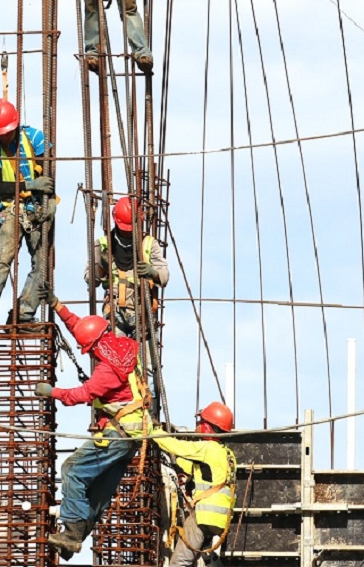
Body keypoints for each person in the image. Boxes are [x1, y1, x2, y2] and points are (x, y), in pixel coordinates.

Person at [37, 302, 147, 560]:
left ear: (95, 345)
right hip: (132, 436)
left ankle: (72, 533)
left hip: (118, 434)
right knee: (98, 493)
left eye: (89, 350)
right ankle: (73, 540)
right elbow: (83, 328)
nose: (90, 354)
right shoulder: (121, 345)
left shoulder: (107, 370)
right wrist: (57, 306)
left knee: (72, 470)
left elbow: (83, 394)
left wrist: (52, 392)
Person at [0, 98, 53, 330]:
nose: (6, 136)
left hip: (35, 209)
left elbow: (48, 173)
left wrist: (48, 196)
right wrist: (30, 185)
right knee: (4, 257)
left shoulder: (35, 137)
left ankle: (24, 314)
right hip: (9, 209)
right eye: (1, 133)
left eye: (8, 131)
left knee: (43, 263)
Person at [155, 403, 238, 567]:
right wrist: (176, 465)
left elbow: (178, 447)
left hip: (204, 516)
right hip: (221, 519)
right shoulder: (227, 454)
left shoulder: (207, 448)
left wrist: (154, 432)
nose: (197, 425)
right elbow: (201, 469)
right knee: (206, 553)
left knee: (179, 562)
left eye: (201, 422)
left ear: (208, 427)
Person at [85, 195, 169, 337]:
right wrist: (101, 268)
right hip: (115, 312)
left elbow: (164, 276)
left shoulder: (149, 243)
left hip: (142, 312)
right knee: (118, 350)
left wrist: (152, 273)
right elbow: (91, 280)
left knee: (146, 351)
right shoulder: (103, 245)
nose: (128, 232)